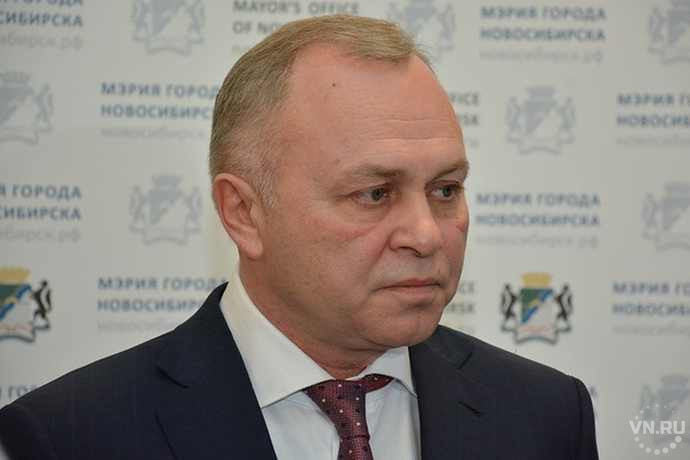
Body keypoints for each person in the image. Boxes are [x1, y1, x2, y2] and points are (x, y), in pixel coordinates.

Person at [0, 14, 598, 460]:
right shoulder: (70, 436)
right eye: (375, 194)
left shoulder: (546, 416)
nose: (425, 234)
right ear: (243, 213)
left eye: (445, 189)